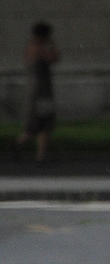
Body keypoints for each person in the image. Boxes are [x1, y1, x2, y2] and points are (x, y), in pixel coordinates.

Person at [17, 22, 60, 162]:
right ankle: (40, 157)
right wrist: (53, 45)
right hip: (42, 90)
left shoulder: (30, 47)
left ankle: (18, 147)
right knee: (43, 124)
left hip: (35, 89)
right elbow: (53, 59)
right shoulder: (38, 48)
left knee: (36, 125)